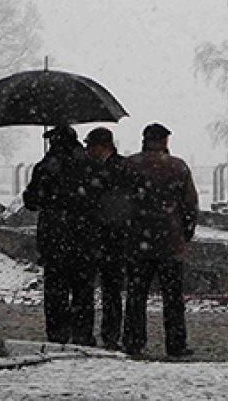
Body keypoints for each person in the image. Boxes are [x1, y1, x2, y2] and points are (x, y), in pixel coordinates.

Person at [120, 122, 199, 358]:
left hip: (137, 240)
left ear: (144, 140)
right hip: (169, 240)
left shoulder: (129, 166)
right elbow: (190, 205)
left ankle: (134, 341)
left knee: (136, 295)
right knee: (173, 297)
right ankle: (175, 344)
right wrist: (184, 232)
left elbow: (118, 202)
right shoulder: (178, 167)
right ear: (165, 141)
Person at [22, 125, 98, 346]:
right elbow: (98, 200)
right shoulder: (89, 166)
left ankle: (57, 333)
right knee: (83, 290)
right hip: (84, 237)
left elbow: (31, 201)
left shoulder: (45, 168)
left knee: (55, 289)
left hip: (54, 237)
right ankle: (83, 334)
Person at [84, 127, 130, 350]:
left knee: (106, 288)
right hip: (111, 236)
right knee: (111, 289)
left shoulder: (100, 169)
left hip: (106, 236)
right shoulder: (123, 166)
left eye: (90, 145)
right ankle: (110, 334)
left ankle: (107, 333)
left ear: (100, 146)